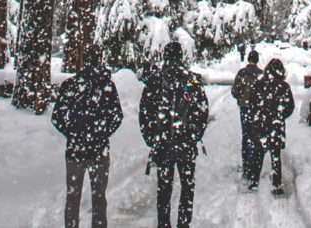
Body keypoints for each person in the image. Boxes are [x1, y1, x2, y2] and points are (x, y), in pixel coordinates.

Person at [51, 44, 123, 228]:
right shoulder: (107, 86)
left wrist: (73, 133)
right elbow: (117, 116)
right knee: (99, 197)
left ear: (83, 60)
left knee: (73, 197)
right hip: (99, 150)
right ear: (100, 60)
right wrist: (103, 133)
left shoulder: (73, 84)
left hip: (76, 150)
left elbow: (57, 117)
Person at [140, 42, 209, 228]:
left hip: (163, 144)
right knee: (187, 187)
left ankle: (163, 223)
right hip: (185, 144)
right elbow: (202, 111)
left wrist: (151, 138)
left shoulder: (155, 81)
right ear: (181, 57)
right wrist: (194, 135)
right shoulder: (192, 80)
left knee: (164, 188)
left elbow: (144, 112)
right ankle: (183, 223)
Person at [246, 58, 294, 195]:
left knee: (258, 153)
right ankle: (276, 184)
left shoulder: (259, 85)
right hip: (276, 126)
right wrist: (280, 115)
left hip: (261, 125)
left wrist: (258, 116)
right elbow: (290, 106)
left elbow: (252, 103)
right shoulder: (284, 86)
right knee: (276, 154)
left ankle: (254, 181)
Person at [231, 50, 262, 189]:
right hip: (257, 110)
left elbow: (234, 91)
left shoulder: (242, 73)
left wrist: (241, 98)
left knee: (246, 136)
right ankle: (253, 165)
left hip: (244, 108)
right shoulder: (261, 74)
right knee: (255, 136)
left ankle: (246, 165)